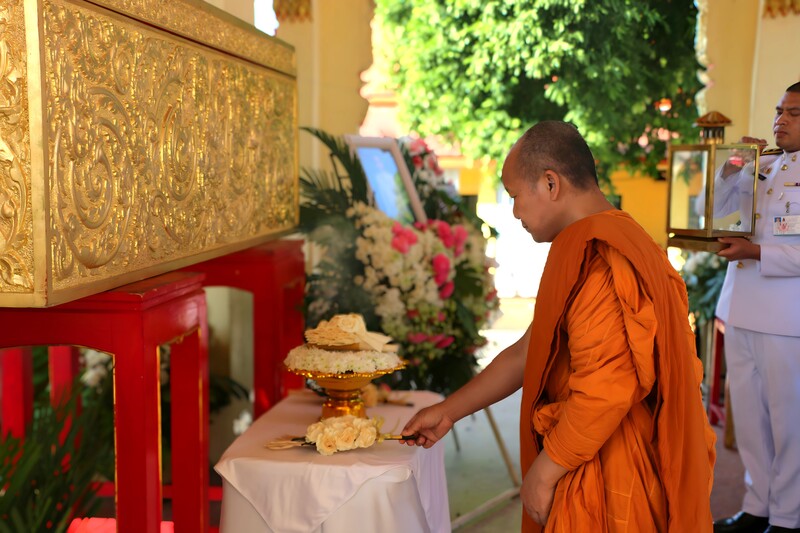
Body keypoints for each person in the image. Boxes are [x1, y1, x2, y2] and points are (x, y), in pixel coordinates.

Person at [400, 120, 716, 532]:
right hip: (587, 450)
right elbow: (530, 350)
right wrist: (448, 412)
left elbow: (604, 391)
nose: (513, 212)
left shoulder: (602, 255)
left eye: (515, 196)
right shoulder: (591, 243)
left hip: (607, 464)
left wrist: (546, 471)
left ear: (551, 183)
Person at [712, 82, 800, 533]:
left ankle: (787, 518)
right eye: (779, 110)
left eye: (794, 113)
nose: (780, 120)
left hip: (788, 318)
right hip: (743, 308)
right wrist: (735, 168)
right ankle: (756, 507)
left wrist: (757, 254)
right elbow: (722, 218)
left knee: (789, 424)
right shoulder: (762, 166)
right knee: (748, 420)